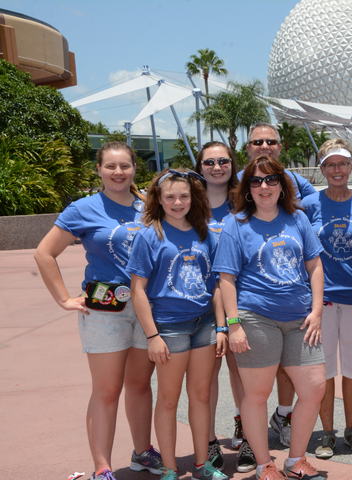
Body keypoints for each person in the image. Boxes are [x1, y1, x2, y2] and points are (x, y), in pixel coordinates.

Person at [34, 142, 159, 480]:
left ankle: (142, 451)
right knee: (106, 390)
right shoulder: (84, 208)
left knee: (140, 385)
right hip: (104, 310)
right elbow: (45, 253)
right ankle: (102, 467)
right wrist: (63, 299)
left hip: (146, 308)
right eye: (111, 167)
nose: (118, 172)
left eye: (124, 166)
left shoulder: (148, 206)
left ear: (134, 168)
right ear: (99, 170)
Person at [214, 156, 327, 480]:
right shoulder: (237, 224)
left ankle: (295, 460)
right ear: (248, 188)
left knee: (314, 388)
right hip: (256, 316)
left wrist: (317, 310)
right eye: (256, 181)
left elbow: (315, 265)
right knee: (257, 395)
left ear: (282, 184)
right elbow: (226, 278)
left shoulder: (297, 219)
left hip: (300, 319)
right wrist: (233, 325)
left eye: (271, 179)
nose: (264, 186)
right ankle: (264, 464)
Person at [128, 168, 228, 480]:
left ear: (193, 198)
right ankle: (170, 468)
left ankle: (202, 464)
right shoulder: (150, 235)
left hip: (204, 326)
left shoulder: (204, 234)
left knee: (200, 397)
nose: (177, 202)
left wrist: (222, 326)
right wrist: (153, 335)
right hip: (169, 328)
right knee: (169, 400)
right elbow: (138, 290)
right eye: (170, 196)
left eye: (183, 196)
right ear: (158, 199)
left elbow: (216, 285)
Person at [240, 122, 316, 446]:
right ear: (248, 147)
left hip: (293, 301)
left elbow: (314, 223)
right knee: (248, 380)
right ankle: (246, 435)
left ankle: (283, 414)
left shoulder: (299, 188)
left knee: (295, 373)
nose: (265, 146)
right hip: (250, 300)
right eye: (258, 141)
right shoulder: (239, 186)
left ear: (280, 146)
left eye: (271, 141)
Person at [301, 139, 352, 460]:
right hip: (322, 301)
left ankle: (351, 428)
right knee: (325, 370)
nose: (337, 170)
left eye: (342, 163)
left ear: (351, 166)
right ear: (322, 169)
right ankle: (327, 431)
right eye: (330, 164)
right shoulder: (310, 205)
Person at [194, 142, 256, 473]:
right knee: (205, 381)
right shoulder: (188, 202)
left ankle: (248, 437)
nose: (217, 167)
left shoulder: (244, 202)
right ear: (199, 166)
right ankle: (209, 442)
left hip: (237, 303)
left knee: (242, 376)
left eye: (223, 161)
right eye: (209, 162)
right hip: (198, 304)